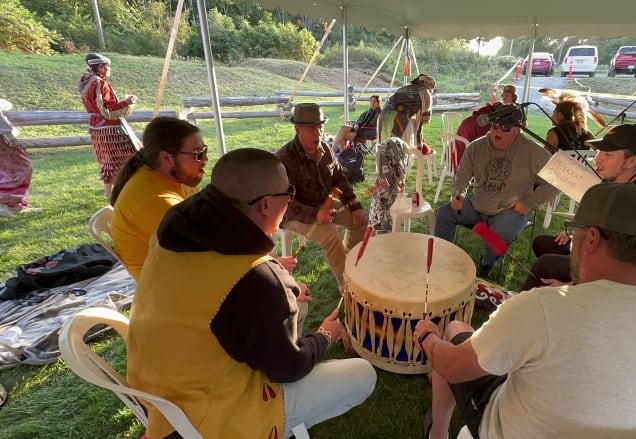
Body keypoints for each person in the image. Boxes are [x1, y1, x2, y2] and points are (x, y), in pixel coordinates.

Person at [415, 182, 636, 439]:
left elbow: (453, 367)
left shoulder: (541, 310)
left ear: (591, 238)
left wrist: (429, 337)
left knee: (455, 332)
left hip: (505, 426)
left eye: (574, 230)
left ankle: (437, 433)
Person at [127, 148, 376, 439]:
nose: (290, 199)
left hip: (159, 388)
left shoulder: (176, 224)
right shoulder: (254, 281)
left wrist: (275, 280)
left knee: (298, 304)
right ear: (266, 204)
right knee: (363, 375)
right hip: (212, 417)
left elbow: (215, 289)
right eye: (289, 193)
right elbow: (288, 367)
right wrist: (325, 335)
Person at [522, 124, 636, 291]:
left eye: (607, 154)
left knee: (544, 265)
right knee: (543, 243)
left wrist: (572, 287)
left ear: (633, 160)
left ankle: (524, 311)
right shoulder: (624, 179)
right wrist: (577, 235)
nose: (598, 159)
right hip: (607, 249)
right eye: (599, 152)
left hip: (626, 273)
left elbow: (625, 264)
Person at [434, 103, 557, 279]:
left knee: (502, 233)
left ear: (518, 129)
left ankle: (486, 264)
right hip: (477, 204)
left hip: (510, 209)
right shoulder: (477, 147)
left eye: (504, 128)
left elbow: (554, 184)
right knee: (445, 213)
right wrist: (457, 193)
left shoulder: (535, 153)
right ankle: (443, 257)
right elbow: (462, 174)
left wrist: (529, 202)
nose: (497, 132)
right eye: (494, 126)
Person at [276, 103, 368, 289]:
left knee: (360, 219)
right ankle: (347, 287)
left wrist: (355, 205)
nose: (318, 133)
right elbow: (286, 204)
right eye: (312, 129)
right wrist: (316, 215)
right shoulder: (284, 159)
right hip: (295, 214)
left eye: (320, 127)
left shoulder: (325, 150)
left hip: (325, 206)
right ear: (297, 129)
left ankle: (349, 263)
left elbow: (340, 179)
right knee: (330, 235)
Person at [108, 117, 205, 281]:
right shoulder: (155, 200)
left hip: (181, 268)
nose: (205, 160)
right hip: (170, 285)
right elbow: (205, 248)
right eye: (197, 154)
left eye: (204, 151)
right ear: (167, 158)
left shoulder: (176, 178)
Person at [77, 53, 140, 198]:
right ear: (99, 67)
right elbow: (107, 109)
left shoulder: (86, 82)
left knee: (107, 160)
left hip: (96, 127)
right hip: (109, 127)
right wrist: (127, 102)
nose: (109, 69)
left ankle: (109, 194)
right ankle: (128, 190)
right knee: (130, 155)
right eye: (107, 67)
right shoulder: (99, 83)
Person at [453, 84, 518, 161]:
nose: (504, 97)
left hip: (458, 154)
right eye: (503, 95)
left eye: (507, 95)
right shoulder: (487, 123)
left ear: (513, 97)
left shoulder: (517, 109)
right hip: (467, 158)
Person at [378, 73, 436, 148]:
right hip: (399, 118)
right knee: (398, 149)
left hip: (382, 116)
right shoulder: (424, 93)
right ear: (427, 84)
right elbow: (420, 119)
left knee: (384, 147)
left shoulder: (402, 88)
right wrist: (418, 140)